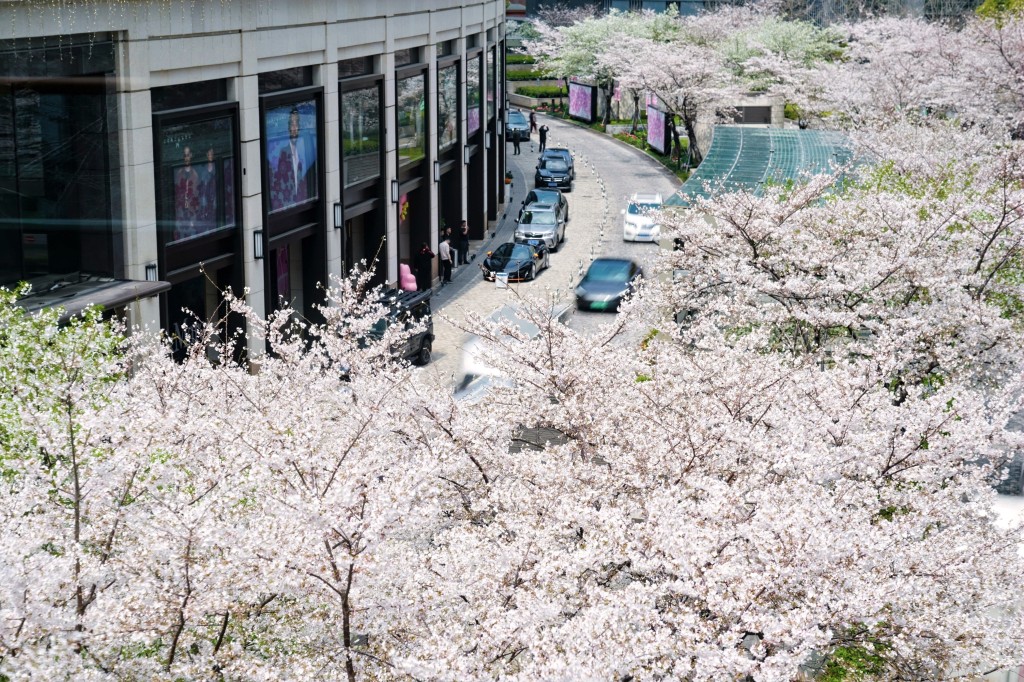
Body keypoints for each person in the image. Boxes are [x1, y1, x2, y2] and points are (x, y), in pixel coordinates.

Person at [271, 106, 310, 210]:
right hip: (286, 205)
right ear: (288, 127)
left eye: (296, 124)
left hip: (300, 204)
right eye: (292, 124)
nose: (294, 128)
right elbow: (278, 183)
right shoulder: (283, 152)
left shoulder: (302, 150)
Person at [174, 145, 200, 240]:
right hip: (181, 216)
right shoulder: (179, 174)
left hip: (191, 216)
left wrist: (194, 216)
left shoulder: (195, 175)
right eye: (185, 155)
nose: (186, 158)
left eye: (188, 155)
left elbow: (197, 197)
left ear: (191, 155)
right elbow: (176, 197)